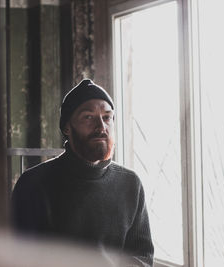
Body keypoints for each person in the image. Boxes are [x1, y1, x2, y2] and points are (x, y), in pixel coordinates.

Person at [11, 79, 154, 266]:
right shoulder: (33, 184)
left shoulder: (130, 184)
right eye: (88, 117)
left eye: (107, 117)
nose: (101, 127)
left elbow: (142, 257)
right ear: (67, 128)